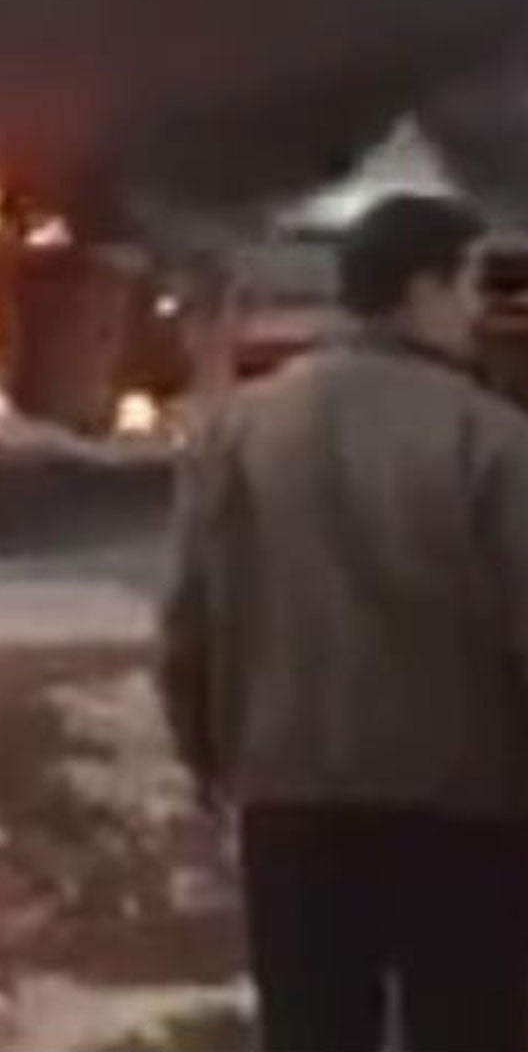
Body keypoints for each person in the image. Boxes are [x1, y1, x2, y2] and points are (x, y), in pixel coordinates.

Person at [162, 191, 528, 1052]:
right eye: (472, 285)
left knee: (313, 1031)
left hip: (288, 800)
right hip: (460, 805)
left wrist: (212, 762)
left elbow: (190, 620)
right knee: (466, 1026)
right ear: (424, 289)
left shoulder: (240, 429)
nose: (482, 312)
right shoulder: (494, 442)